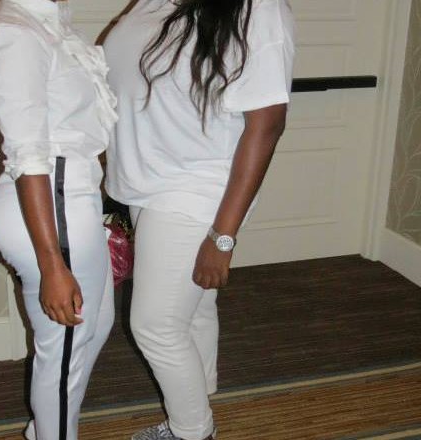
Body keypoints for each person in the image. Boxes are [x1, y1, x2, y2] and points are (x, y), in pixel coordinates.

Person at [104, 0, 295, 439]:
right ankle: (198, 399)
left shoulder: (259, 9)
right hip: (147, 184)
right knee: (192, 311)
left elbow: (267, 124)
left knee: (155, 326)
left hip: (196, 189)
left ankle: (192, 431)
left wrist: (222, 236)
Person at [0, 0, 117, 439]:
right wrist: (52, 264)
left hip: (71, 196)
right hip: (51, 203)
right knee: (63, 354)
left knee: (93, 327)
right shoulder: (16, 31)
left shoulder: (48, 23)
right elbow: (29, 157)